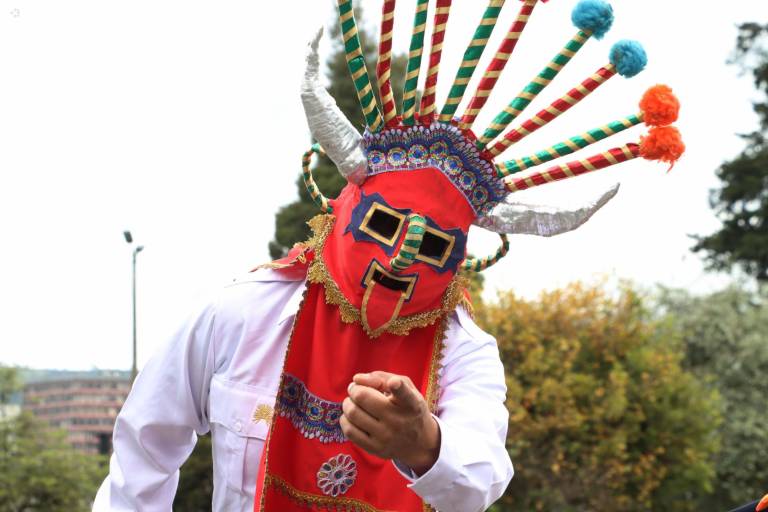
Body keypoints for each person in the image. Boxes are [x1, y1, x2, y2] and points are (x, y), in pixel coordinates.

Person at [95, 0, 684, 509]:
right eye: (383, 224)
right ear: (346, 207)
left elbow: (481, 478)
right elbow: (145, 446)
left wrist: (424, 443)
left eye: (432, 245)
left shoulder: (465, 353)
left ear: (458, 255)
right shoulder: (240, 313)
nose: (401, 258)